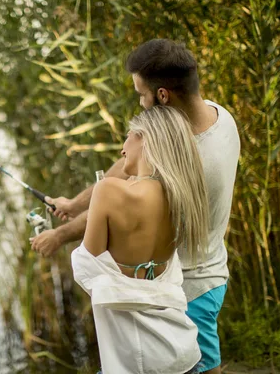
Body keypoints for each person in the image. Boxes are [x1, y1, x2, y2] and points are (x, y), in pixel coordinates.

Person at [31, 39, 241, 373]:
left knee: (198, 368)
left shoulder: (191, 162)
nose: (140, 104)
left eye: (141, 95)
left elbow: (122, 208)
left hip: (188, 289)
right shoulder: (218, 115)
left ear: (162, 96)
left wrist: (60, 235)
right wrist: (75, 202)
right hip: (204, 274)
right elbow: (130, 163)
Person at [72, 105, 206, 373]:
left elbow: (86, 269)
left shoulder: (108, 189)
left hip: (135, 361)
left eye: (129, 135)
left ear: (145, 137)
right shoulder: (181, 193)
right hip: (181, 352)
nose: (122, 149)